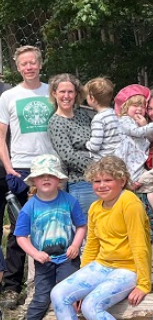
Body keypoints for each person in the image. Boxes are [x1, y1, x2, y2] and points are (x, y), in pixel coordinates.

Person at [51, 156, 151, 320]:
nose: (101, 185)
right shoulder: (95, 207)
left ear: (122, 180)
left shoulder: (129, 202)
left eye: (108, 180)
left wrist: (143, 284)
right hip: (102, 265)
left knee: (91, 306)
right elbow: (91, 246)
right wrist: (80, 291)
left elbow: (139, 245)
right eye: (97, 181)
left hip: (128, 269)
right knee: (58, 293)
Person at [15, 154, 87, 320]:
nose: (46, 179)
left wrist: (75, 245)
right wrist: (35, 253)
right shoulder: (30, 207)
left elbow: (81, 225)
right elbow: (20, 236)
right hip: (43, 260)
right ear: (34, 181)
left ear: (59, 179)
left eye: (51, 175)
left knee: (69, 294)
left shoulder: (69, 200)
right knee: (41, 297)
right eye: (41, 176)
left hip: (67, 256)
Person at [0, 46, 56, 306]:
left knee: (55, 224)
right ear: (18, 67)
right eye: (24, 64)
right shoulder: (9, 96)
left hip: (50, 167)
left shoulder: (52, 91)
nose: (29, 67)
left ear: (40, 64)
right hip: (21, 167)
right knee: (19, 229)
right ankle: (12, 286)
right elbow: (1, 136)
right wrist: (8, 166)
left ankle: (51, 280)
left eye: (33, 62)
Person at [47, 73, 95, 216]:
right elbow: (69, 156)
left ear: (76, 94)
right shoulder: (56, 122)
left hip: (101, 181)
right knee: (87, 232)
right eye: (62, 92)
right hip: (81, 183)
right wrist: (99, 168)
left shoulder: (83, 115)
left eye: (70, 92)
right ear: (54, 93)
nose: (66, 96)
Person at [114, 84, 153, 236]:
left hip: (139, 164)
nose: (139, 109)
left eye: (142, 106)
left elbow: (150, 138)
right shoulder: (125, 120)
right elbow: (137, 133)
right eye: (135, 105)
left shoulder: (139, 123)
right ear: (125, 107)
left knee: (151, 189)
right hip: (129, 165)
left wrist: (146, 125)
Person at [84, 77, 122, 160]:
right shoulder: (115, 113)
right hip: (119, 156)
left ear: (92, 98)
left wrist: (86, 144)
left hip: (105, 158)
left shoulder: (99, 119)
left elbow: (95, 146)